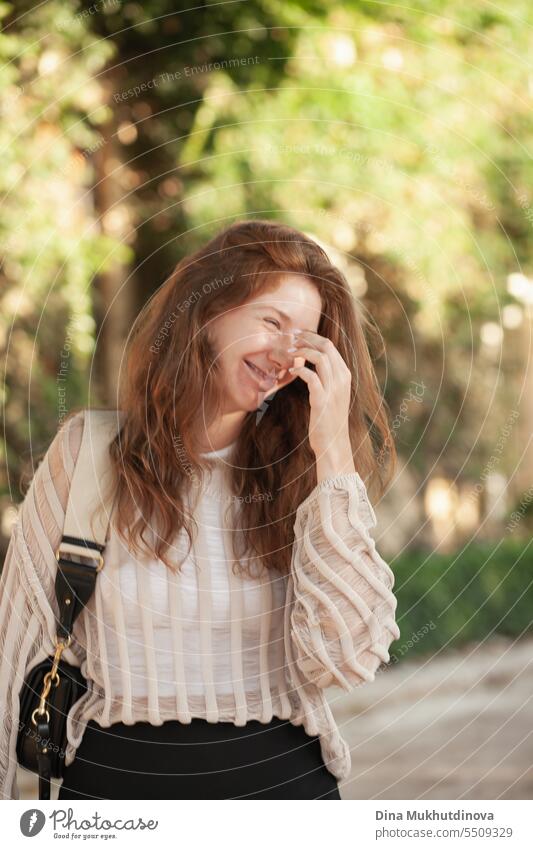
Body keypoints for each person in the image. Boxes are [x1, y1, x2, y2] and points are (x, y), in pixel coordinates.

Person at [0, 218, 400, 800]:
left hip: (280, 794)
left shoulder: (307, 475)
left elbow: (346, 658)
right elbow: (12, 651)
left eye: (304, 338)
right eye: (271, 321)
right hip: (113, 797)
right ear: (208, 311)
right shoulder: (86, 456)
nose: (285, 353)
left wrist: (333, 449)